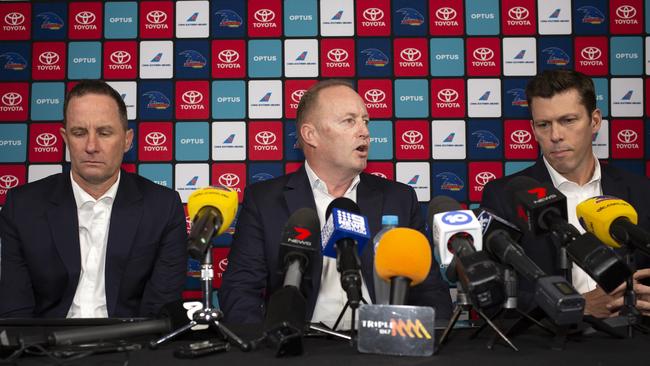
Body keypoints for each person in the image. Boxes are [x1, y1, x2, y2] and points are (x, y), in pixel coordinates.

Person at [219, 80, 452, 325]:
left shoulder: (399, 199)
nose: (364, 131)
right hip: (304, 346)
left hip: (384, 347)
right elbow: (240, 290)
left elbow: (430, 290)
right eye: (349, 121)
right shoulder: (265, 201)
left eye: (365, 121)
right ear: (311, 135)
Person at [0, 80, 188, 318]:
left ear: (127, 140)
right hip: (44, 346)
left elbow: (159, 311)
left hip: (131, 347)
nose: (91, 146)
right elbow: (15, 311)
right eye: (79, 133)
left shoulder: (162, 207)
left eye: (104, 132)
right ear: (65, 138)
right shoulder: (23, 206)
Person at [481, 70, 650, 317]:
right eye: (544, 124)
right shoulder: (503, 195)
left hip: (633, 342)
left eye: (568, 120)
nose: (556, 135)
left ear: (594, 121)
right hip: (550, 347)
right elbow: (492, 291)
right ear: (533, 128)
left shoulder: (640, 190)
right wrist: (578, 306)